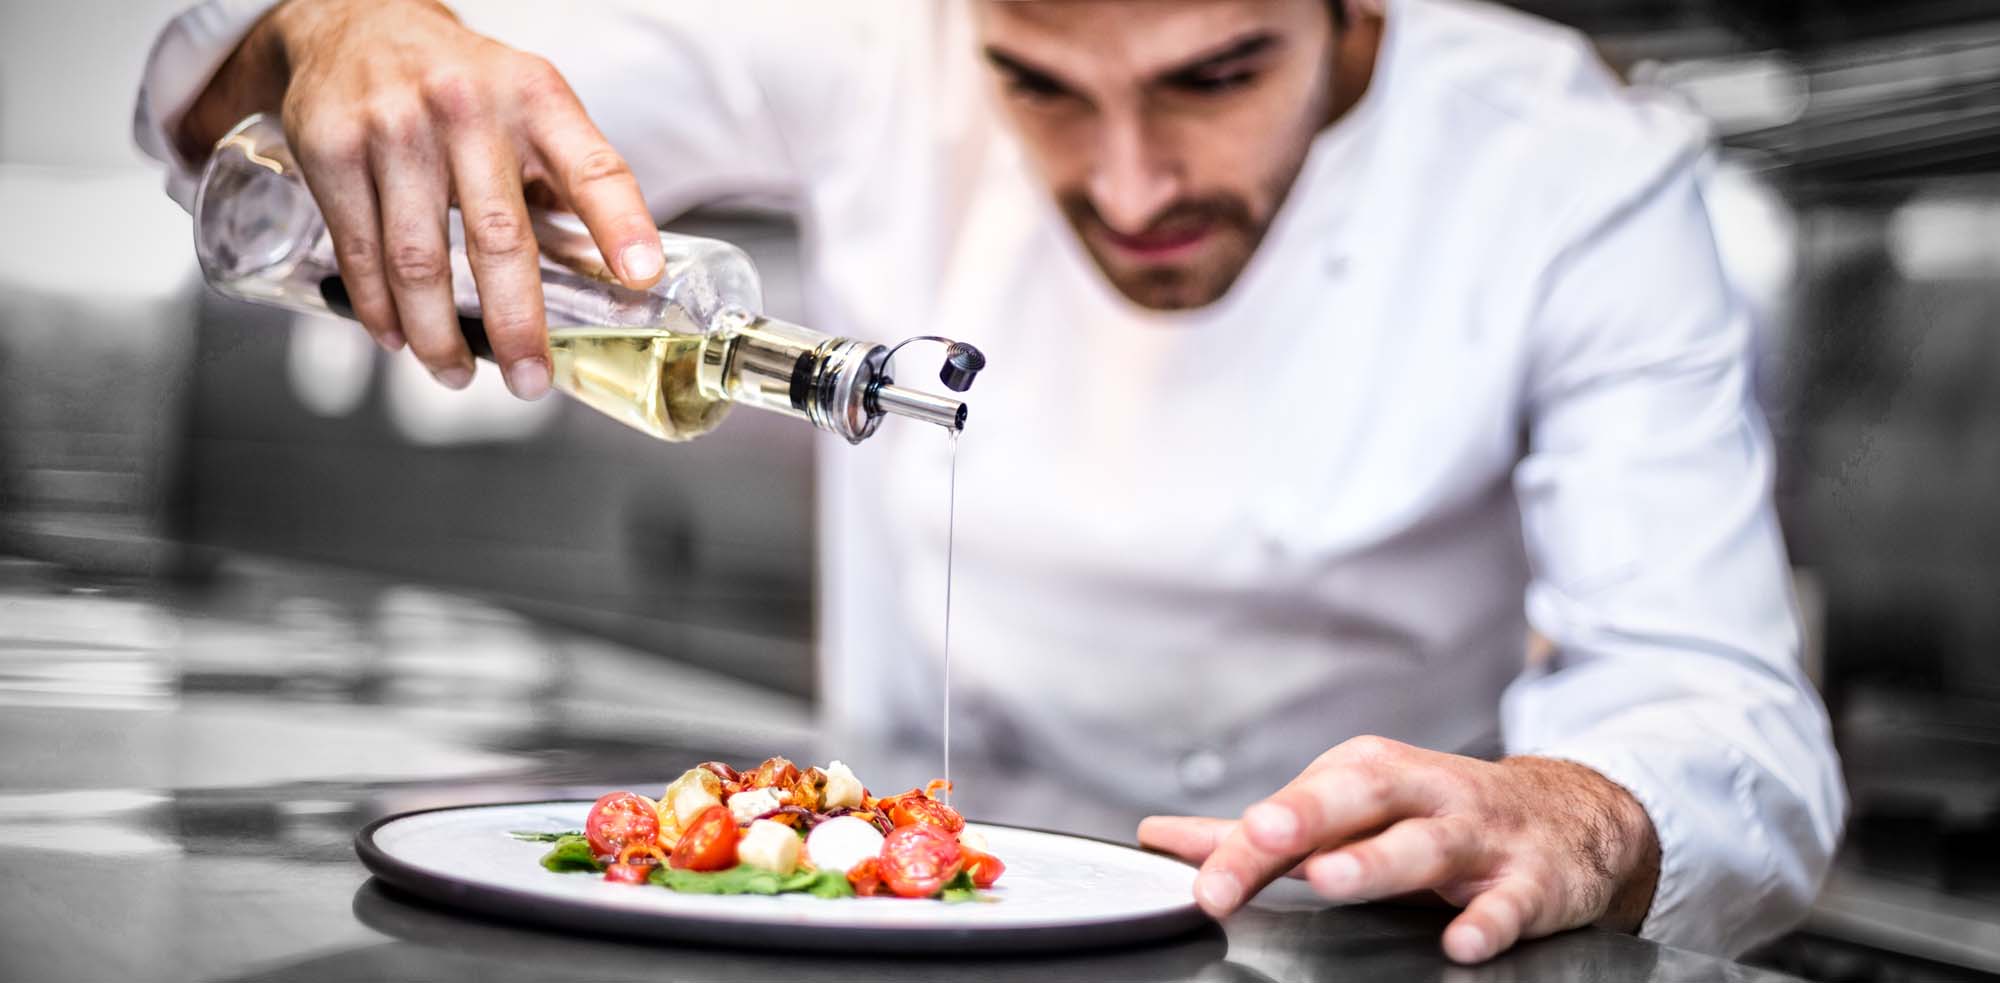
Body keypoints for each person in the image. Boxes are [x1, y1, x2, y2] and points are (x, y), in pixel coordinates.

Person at [134, 0, 1845, 963]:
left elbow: (1728, 717)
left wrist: (1585, 809)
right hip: (893, 931)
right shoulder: (879, 39)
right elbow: (237, 103)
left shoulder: (1575, 174)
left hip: (1355, 963)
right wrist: (336, 29)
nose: (1127, 181)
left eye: (1216, 74)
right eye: (1038, 81)